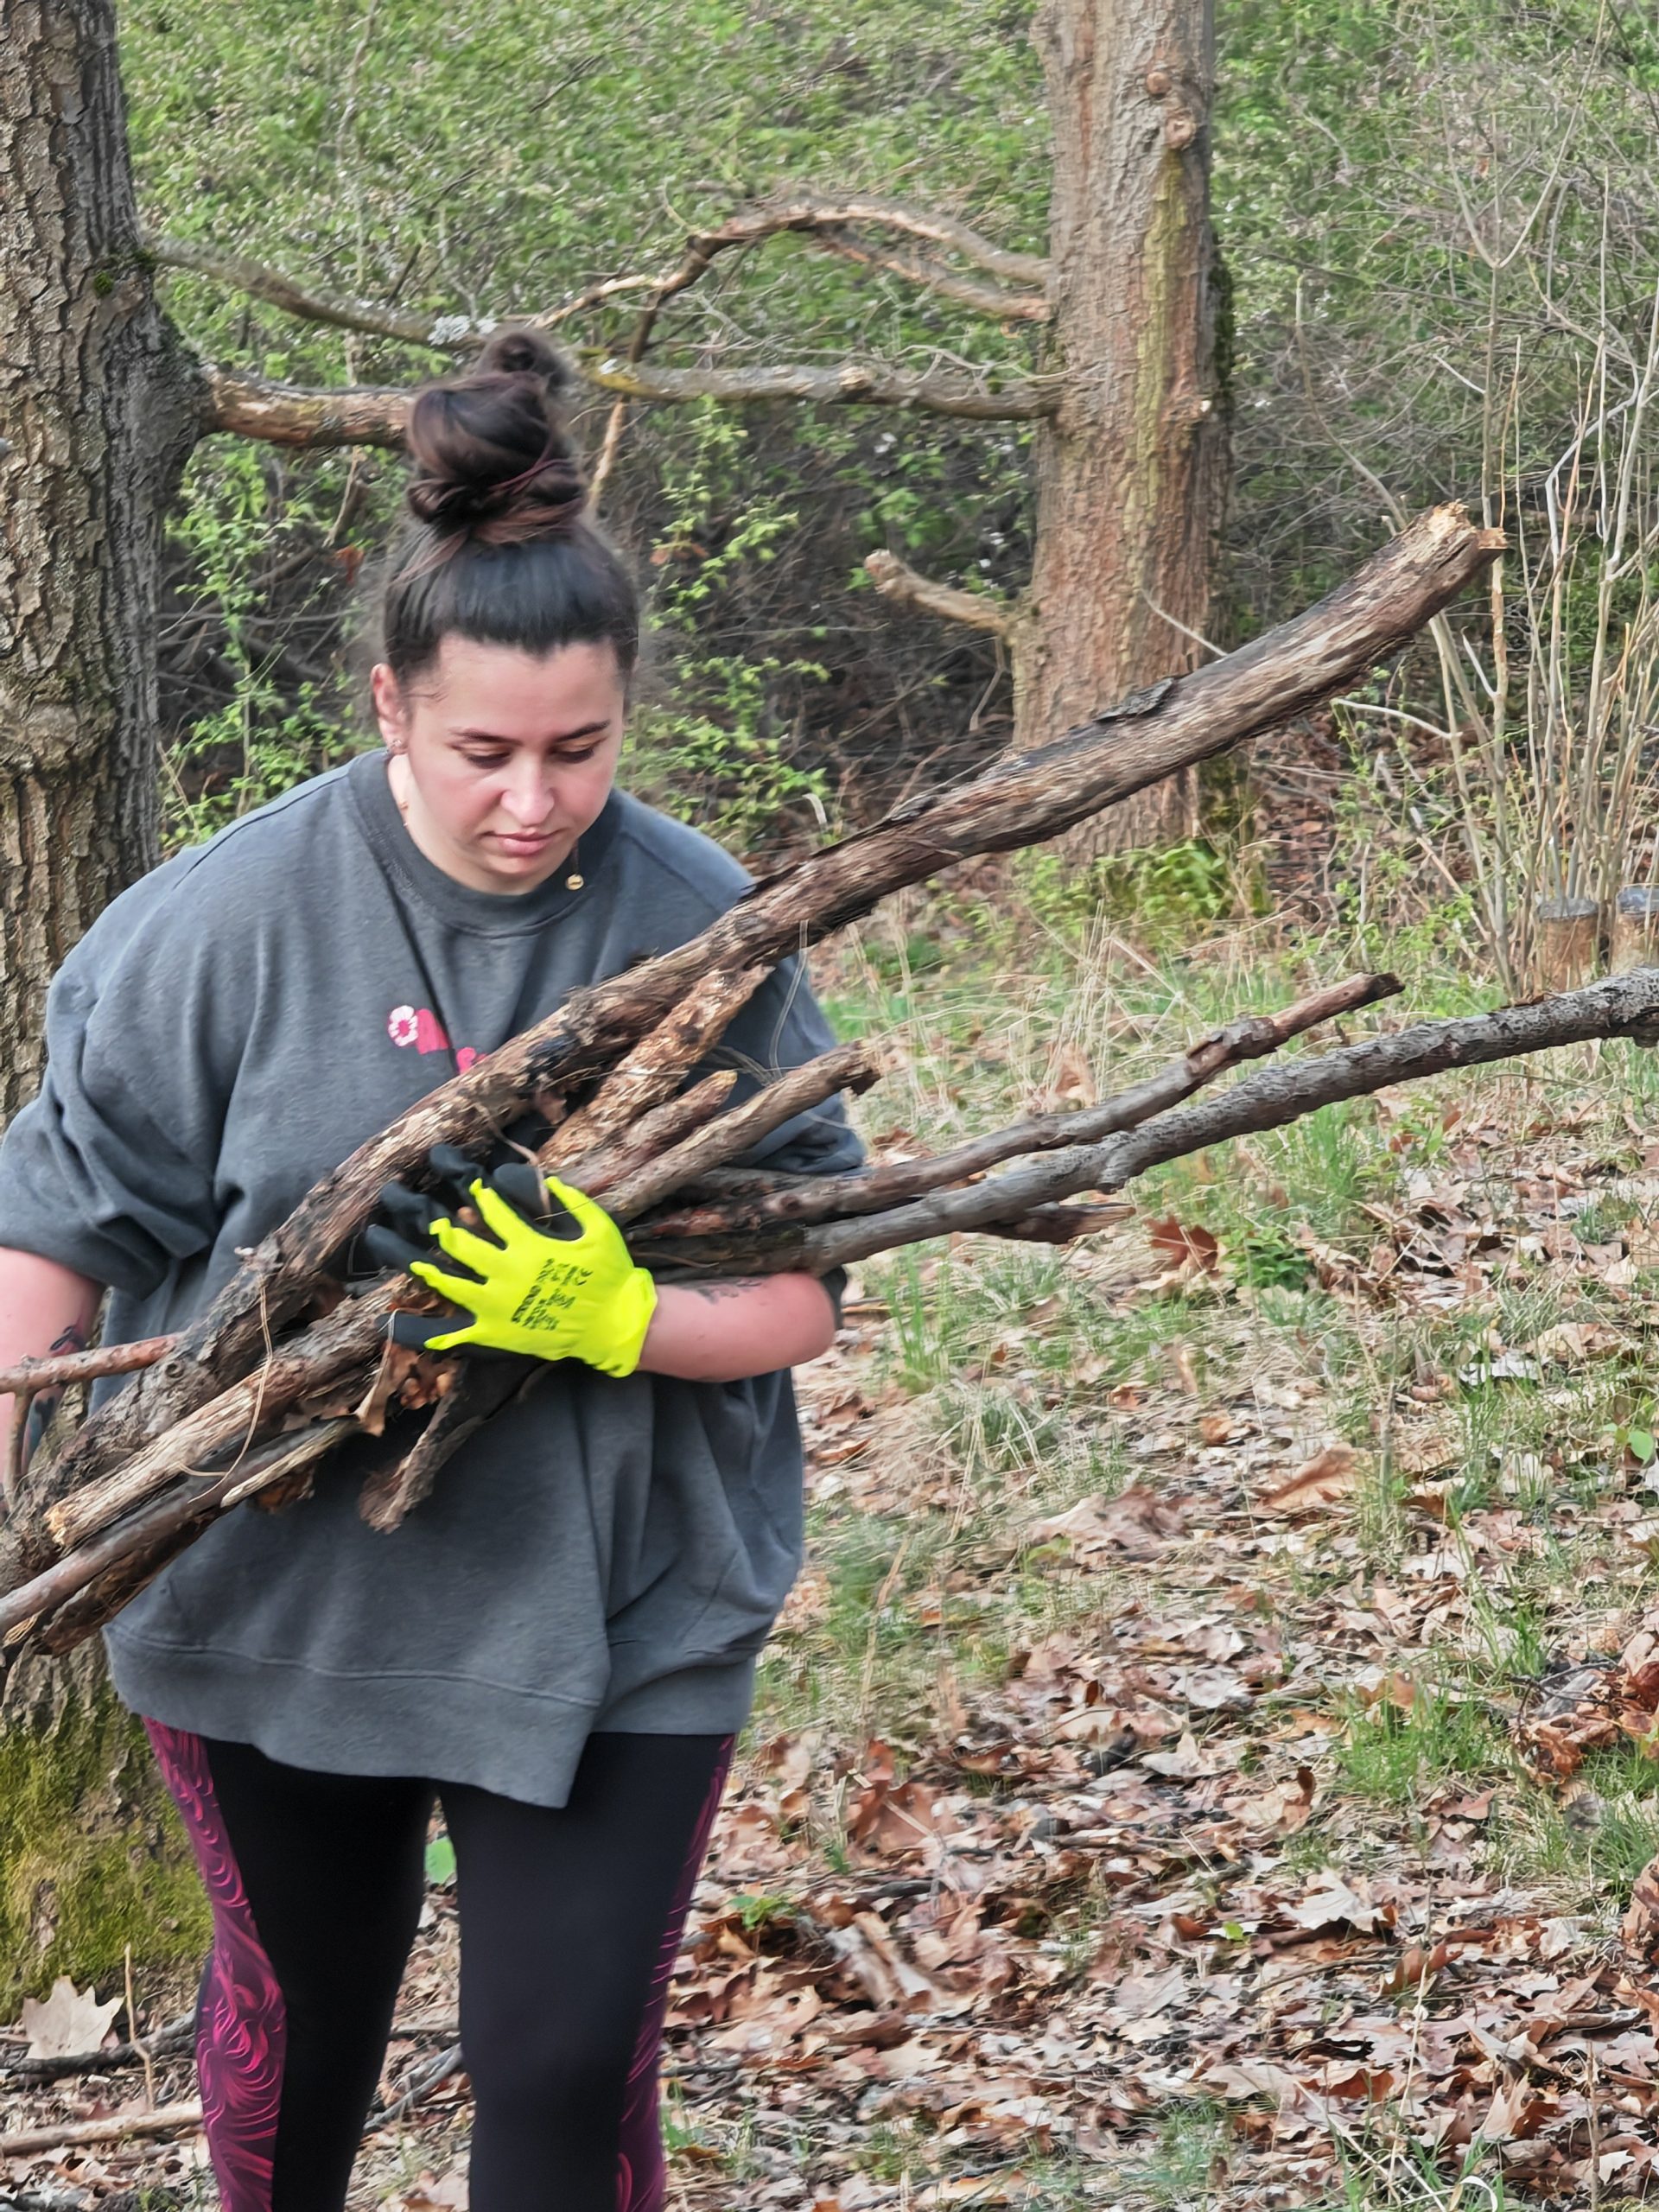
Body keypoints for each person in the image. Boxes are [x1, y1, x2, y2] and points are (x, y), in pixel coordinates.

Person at [0, 328, 861, 2212]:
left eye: (579, 750)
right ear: (391, 705)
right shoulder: (225, 924)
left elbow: (809, 1286)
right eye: (483, 752)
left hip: (622, 1599)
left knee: (563, 2066)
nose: (532, 800)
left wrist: (620, 1316)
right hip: (277, 1589)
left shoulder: (707, 925)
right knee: (299, 2030)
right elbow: (52, 1229)